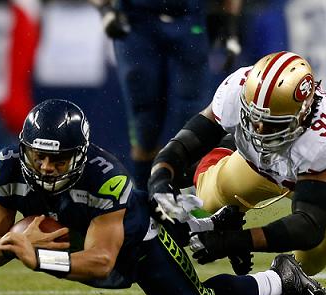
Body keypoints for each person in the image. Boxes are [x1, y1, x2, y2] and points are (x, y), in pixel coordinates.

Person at [0, 98, 326, 295]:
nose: (47, 167)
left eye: (58, 158)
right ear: (24, 150)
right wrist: (8, 245)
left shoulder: (105, 177)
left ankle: (280, 279)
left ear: (79, 155)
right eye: (39, 156)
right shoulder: (6, 169)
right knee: (171, 221)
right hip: (88, 231)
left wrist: (38, 258)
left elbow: (102, 260)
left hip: (135, 240)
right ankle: (209, 225)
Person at [147, 51, 326, 277]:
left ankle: (229, 153)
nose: (258, 130)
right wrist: (159, 178)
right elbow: (187, 143)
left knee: (305, 264)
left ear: (302, 115)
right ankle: (228, 183)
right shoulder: (238, 87)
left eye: (272, 124)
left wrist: (230, 243)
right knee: (208, 197)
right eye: (254, 118)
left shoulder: (324, 138)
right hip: (270, 166)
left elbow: (308, 227)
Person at [89, 0, 241, 190]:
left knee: (193, 120)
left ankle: (188, 200)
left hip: (188, 17)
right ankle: (146, 201)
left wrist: (229, 22)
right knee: (145, 122)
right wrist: (105, 8)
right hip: (137, 20)